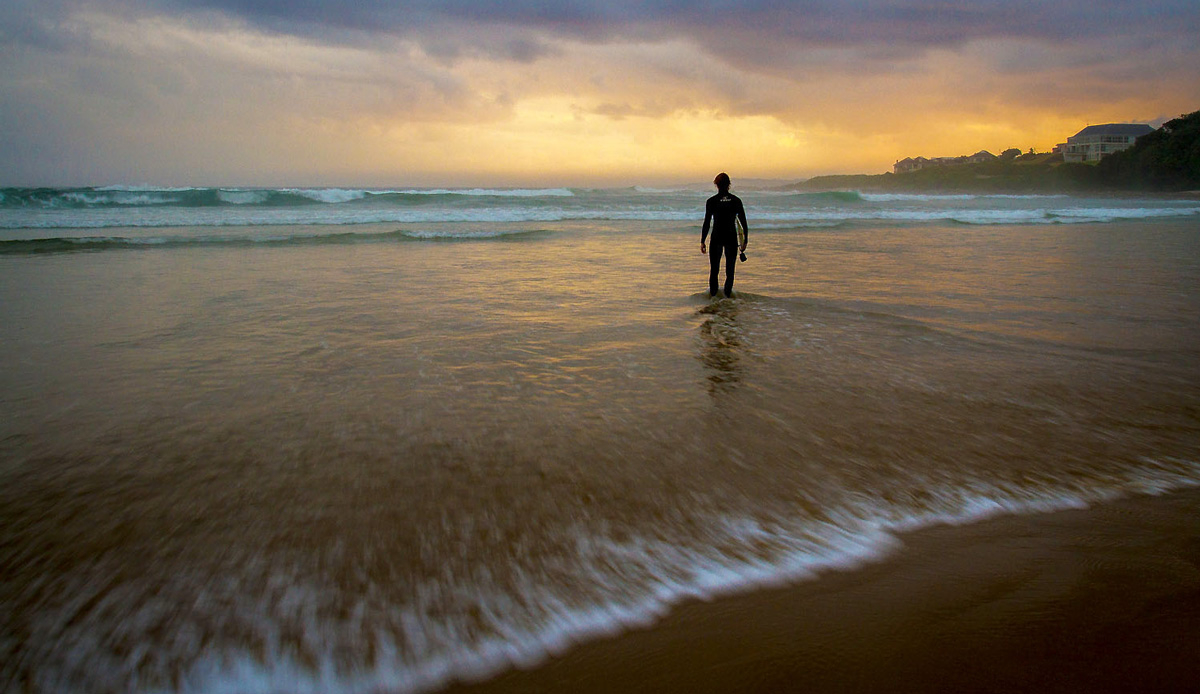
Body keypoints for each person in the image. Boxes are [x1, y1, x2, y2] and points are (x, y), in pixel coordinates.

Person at [700, 172, 748, 298]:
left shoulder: (711, 201)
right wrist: (745, 241)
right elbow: (743, 222)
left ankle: (714, 299)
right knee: (730, 271)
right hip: (731, 238)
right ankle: (727, 299)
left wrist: (702, 241)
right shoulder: (736, 201)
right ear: (729, 185)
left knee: (714, 270)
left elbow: (706, 222)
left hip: (716, 237)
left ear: (716, 185)